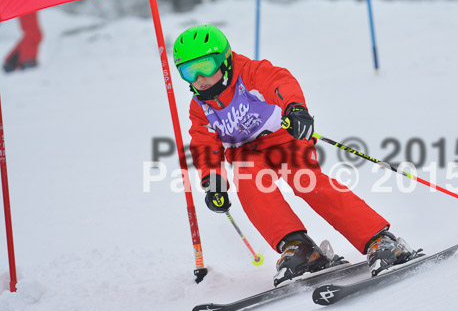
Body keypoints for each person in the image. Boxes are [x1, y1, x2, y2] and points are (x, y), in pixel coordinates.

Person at [173, 25, 422, 286]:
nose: (200, 78)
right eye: (189, 72)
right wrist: (212, 182)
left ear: (224, 60)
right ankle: (299, 248)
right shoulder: (200, 107)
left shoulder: (249, 73)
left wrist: (294, 108)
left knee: (306, 182)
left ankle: (379, 240)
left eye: (206, 66)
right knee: (250, 186)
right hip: (245, 151)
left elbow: (280, 82)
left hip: (283, 137)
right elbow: (204, 145)